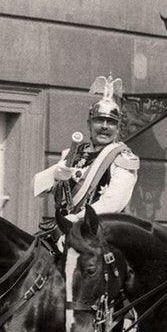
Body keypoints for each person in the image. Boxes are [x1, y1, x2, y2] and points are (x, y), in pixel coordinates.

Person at [33, 75, 139, 248]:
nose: (104, 126)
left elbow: (111, 204)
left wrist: (74, 219)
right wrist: (55, 174)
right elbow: (36, 188)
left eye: (111, 122)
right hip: (62, 231)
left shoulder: (123, 159)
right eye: (99, 120)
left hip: (98, 238)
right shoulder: (73, 153)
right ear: (89, 123)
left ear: (118, 128)